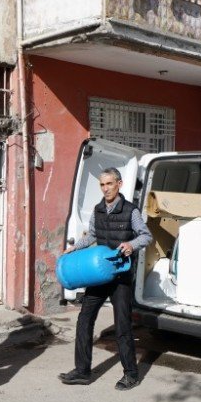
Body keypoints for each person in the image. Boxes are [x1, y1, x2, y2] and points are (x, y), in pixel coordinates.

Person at [59, 167, 153, 390]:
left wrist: (131, 245)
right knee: (84, 319)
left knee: (122, 325)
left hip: (120, 275)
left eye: (109, 183)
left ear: (119, 184)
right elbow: (91, 235)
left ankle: (131, 374)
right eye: (102, 184)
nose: (105, 188)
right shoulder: (98, 209)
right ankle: (82, 371)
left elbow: (146, 236)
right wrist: (74, 248)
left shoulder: (131, 211)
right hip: (98, 273)